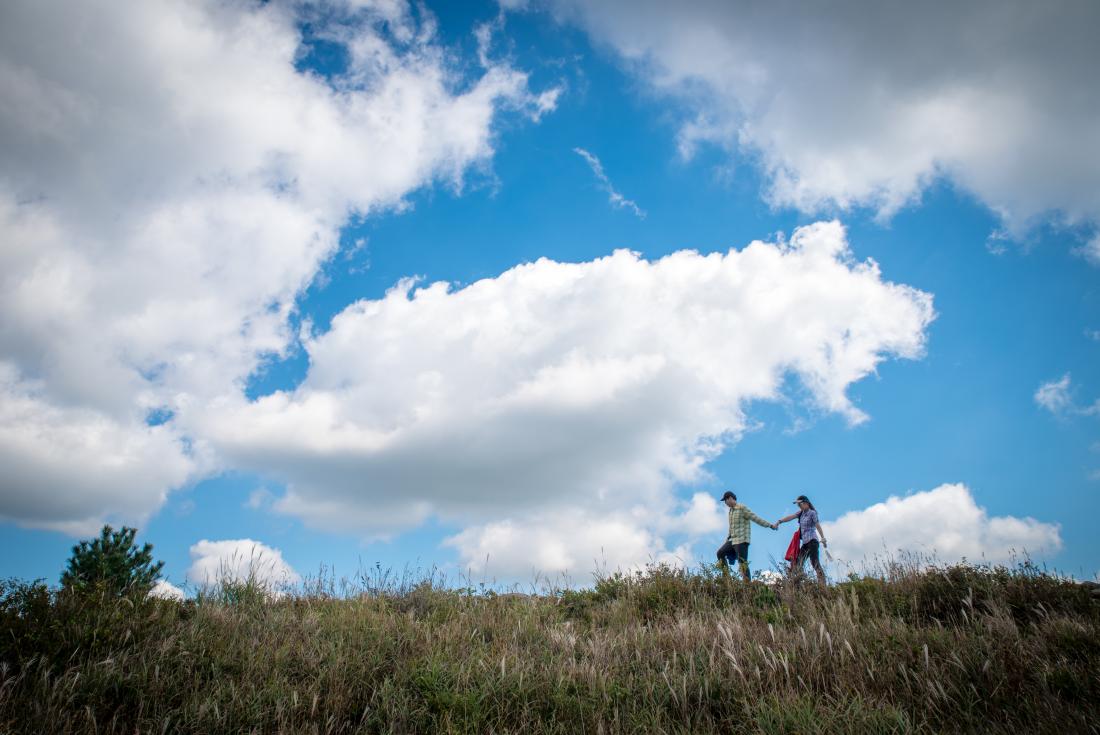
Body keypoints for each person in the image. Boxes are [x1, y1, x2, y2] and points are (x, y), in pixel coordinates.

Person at [716, 490, 777, 582]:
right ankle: (726, 578)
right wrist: (727, 539)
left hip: (742, 540)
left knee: (742, 563)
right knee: (720, 553)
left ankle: (747, 585)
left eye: (725, 500)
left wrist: (770, 525)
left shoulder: (742, 508)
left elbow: (755, 518)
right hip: (733, 540)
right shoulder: (731, 511)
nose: (725, 503)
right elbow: (731, 527)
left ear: (730, 498)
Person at [777, 494, 827, 584]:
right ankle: (800, 583)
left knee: (814, 562)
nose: (799, 506)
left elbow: (817, 525)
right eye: (798, 505)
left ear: (806, 503)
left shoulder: (812, 513)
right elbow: (791, 517)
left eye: (800, 504)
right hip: (805, 543)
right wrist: (779, 521)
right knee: (798, 563)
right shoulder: (800, 513)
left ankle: (822, 583)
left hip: (812, 541)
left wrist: (823, 538)